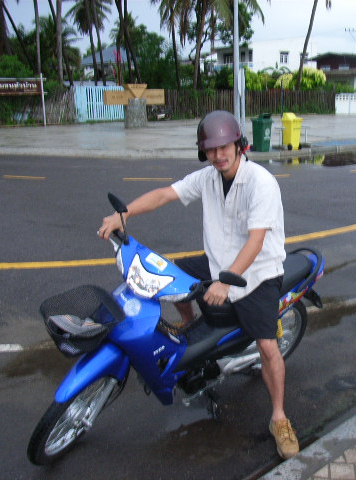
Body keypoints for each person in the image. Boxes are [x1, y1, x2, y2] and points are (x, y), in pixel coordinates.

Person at [97, 110, 299, 459]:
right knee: (173, 273)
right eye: (211, 149)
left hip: (257, 274)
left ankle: (279, 417)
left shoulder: (261, 183)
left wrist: (225, 282)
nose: (218, 155)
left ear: (239, 145)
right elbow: (165, 194)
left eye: (224, 147)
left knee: (268, 346)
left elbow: (255, 242)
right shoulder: (208, 178)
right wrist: (123, 214)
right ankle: (190, 325)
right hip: (219, 261)